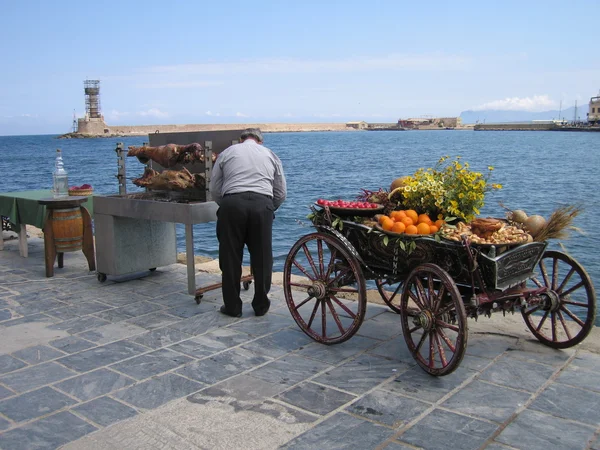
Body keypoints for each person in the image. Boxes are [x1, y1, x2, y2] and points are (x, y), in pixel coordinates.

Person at [209, 128, 287, 318]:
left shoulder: (227, 153)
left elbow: (214, 188)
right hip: (262, 205)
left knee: (230, 257)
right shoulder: (271, 155)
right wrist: (269, 207)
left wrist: (228, 204)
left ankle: (233, 307)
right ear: (260, 141)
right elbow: (281, 192)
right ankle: (260, 306)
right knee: (262, 257)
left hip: (232, 204)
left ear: (241, 140)